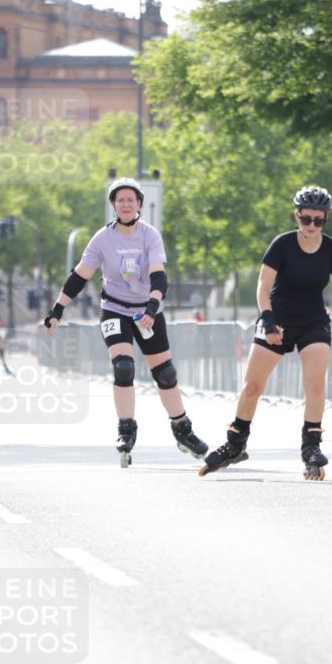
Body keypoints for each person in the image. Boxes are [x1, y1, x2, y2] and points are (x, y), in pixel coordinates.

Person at [199, 185, 332, 480]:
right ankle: (235, 444)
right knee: (252, 386)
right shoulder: (282, 244)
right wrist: (269, 321)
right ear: (296, 215)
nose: (312, 226)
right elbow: (262, 287)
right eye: (306, 219)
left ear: (325, 220)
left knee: (314, 383)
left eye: (319, 220)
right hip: (277, 317)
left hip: (314, 320)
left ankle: (311, 448)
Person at [43, 177, 208, 466]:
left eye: (131, 199)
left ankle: (183, 429)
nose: (126, 204)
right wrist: (57, 310)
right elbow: (79, 276)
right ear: (114, 206)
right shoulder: (102, 239)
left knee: (165, 374)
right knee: (123, 367)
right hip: (115, 310)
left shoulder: (149, 235)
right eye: (121, 200)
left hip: (148, 310)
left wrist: (153, 304)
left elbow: (158, 274)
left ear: (139, 203)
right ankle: (126, 429)